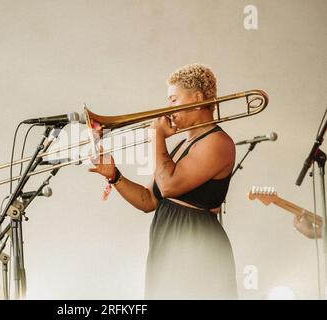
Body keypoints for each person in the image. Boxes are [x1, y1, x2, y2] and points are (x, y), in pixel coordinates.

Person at [89, 63, 237, 299]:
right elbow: (148, 201)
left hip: (197, 244)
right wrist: (114, 175)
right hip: (169, 237)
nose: (167, 108)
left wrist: (156, 135)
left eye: (173, 99)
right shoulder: (183, 145)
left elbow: (168, 185)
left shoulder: (217, 143)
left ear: (197, 98)